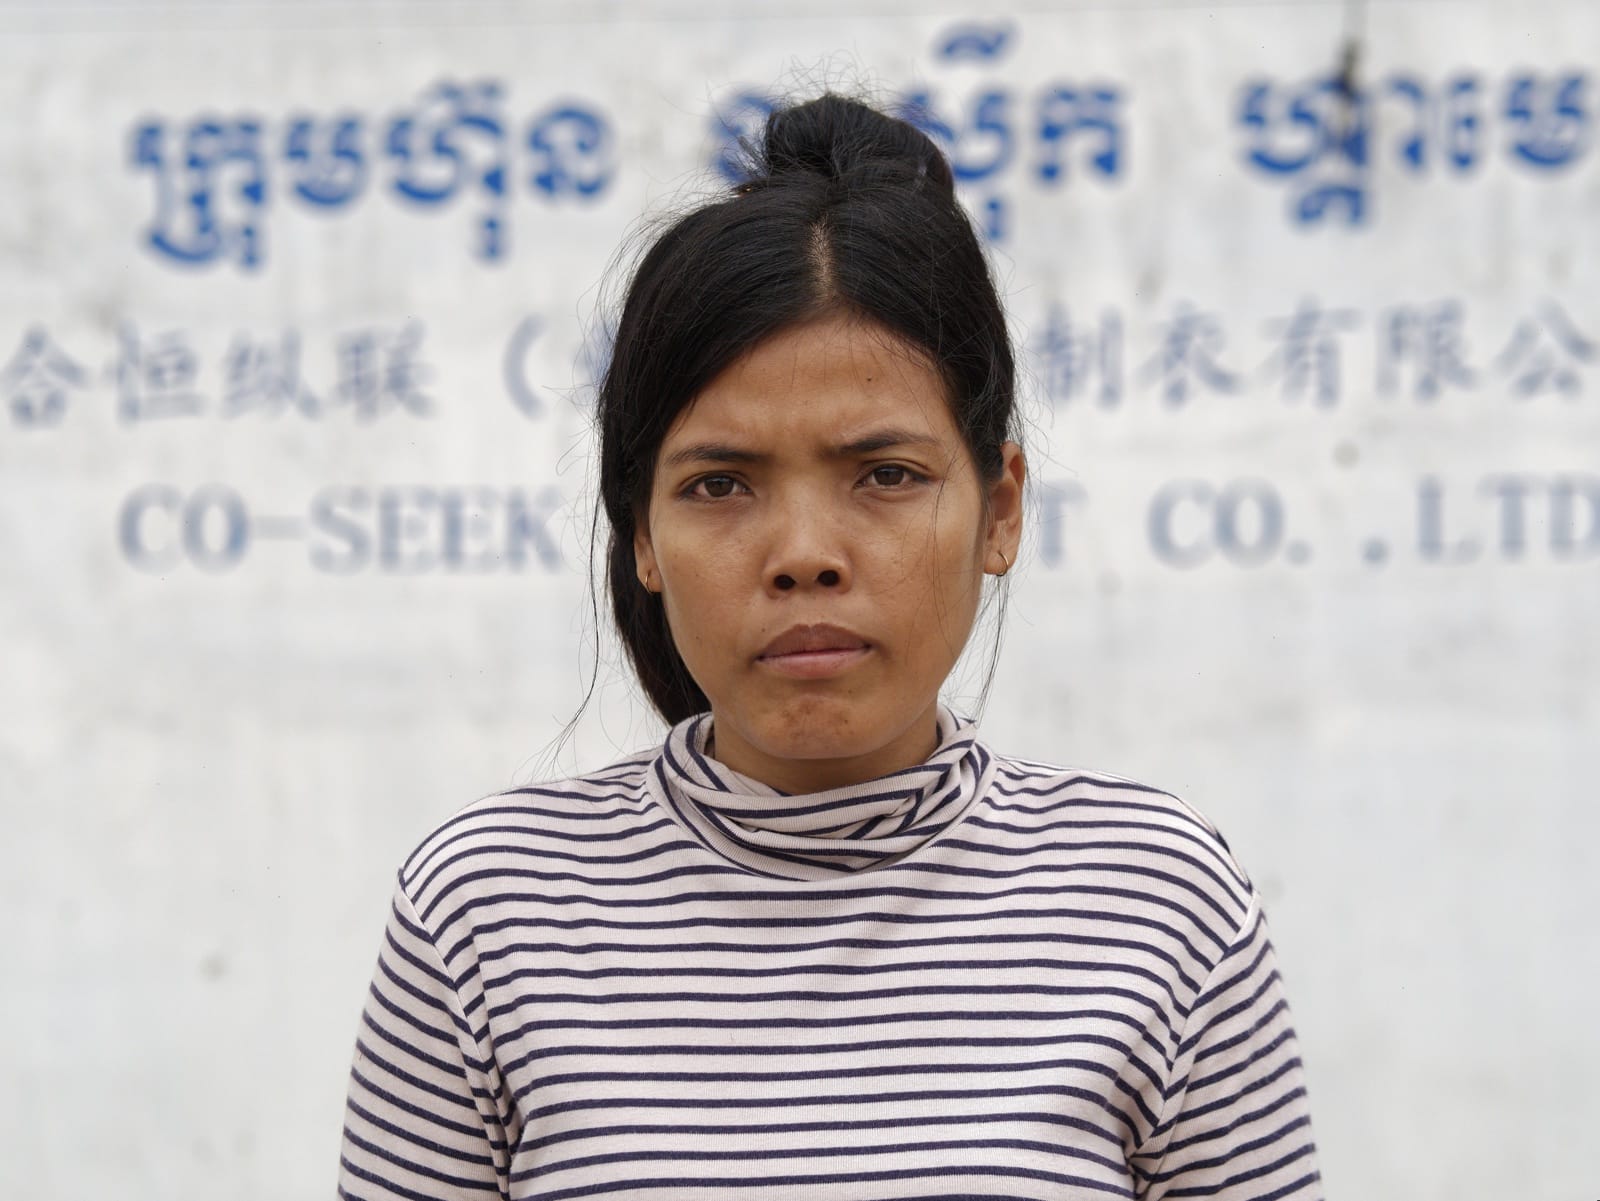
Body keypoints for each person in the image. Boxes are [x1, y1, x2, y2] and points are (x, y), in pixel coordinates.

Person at [337, 93, 1322, 1201]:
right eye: (719, 484)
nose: (803, 554)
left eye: (885, 475)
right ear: (641, 535)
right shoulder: (485, 912)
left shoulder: (1156, 901)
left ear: (999, 509)